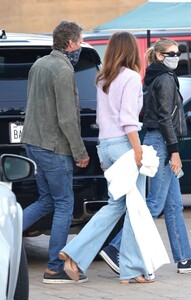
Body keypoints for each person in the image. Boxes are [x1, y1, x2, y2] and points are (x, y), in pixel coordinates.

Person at [99, 37, 191, 275]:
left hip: (156, 141)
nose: (177, 57)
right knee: (154, 205)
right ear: (160, 56)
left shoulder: (152, 77)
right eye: (172, 53)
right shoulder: (166, 79)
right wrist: (174, 152)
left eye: (178, 52)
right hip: (161, 144)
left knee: (174, 205)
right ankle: (114, 247)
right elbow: (164, 118)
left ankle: (184, 258)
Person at [58, 31, 160, 284]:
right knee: (134, 207)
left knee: (118, 205)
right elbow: (128, 120)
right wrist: (138, 151)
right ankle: (130, 268)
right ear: (131, 50)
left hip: (106, 144)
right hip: (125, 145)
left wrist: (105, 153)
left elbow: (102, 119)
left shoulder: (102, 78)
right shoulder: (132, 78)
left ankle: (80, 254)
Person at [21, 20, 90, 284]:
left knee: (47, 200)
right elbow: (67, 118)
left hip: (34, 143)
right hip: (53, 146)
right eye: (81, 41)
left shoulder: (39, 64)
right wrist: (80, 151)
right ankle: (54, 268)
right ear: (71, 42)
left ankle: (6, 231)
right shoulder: (62, 69)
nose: (81, 45)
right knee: (63, 204)